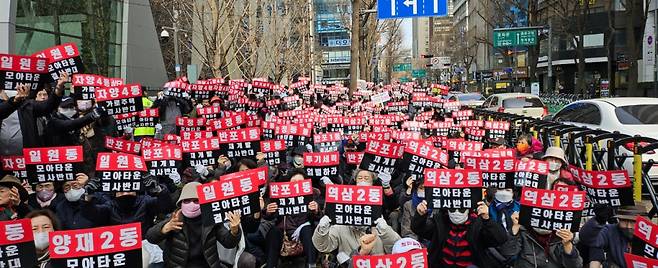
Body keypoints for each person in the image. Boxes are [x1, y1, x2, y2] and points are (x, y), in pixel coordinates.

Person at [146, 182, 243, 268]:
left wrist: (234, 231)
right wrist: (165, 228)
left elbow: (229, 243)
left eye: (196, 201)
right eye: (186, 201)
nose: (191, 204)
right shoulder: (175, 219)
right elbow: (150, 237)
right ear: (180, 204)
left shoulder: (212, 220)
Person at [412, 200, 508, 268]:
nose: (457, 212)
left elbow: (500, 238)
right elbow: (418, 229)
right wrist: (420, 215)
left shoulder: (478, 225)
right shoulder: (440, 222)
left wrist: (487, 219)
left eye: (461, 209)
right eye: (453, 209)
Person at [262, 170, 321, 268]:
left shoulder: (313, 196)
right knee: (274, 231)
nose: (296, 185)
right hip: (284, 233)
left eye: (300, 182)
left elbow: (320, 219)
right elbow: (270, 218)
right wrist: (268, 212)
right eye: (294, 182)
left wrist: (316, 211)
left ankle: (311, 264)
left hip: (305, 234)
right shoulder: (279, 196)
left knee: (307, 230)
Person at [0, 72, 67, 155]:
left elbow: (48, 106)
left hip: (26, 158)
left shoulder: (28, 105)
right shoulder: (4, 107)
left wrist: (59, 88)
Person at [503, 211, 583, 267]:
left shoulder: (562, 234)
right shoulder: (524, 230)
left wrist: (567, 245)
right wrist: (515, 229)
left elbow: (575, 265)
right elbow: (508, 253)